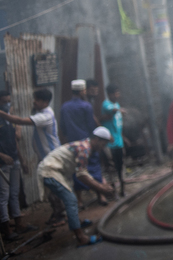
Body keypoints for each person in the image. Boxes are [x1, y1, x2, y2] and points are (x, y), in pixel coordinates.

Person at [37, 127, 115, 246]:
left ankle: (77, 222)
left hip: (55, 171)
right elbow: (81, 175)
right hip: (50, 171)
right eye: (103, 144)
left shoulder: (85, 146)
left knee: (70, 196)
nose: (103, 147)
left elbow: (83, 172)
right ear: (97, 140)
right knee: (71, 200)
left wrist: (100, 185)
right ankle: (81, 238)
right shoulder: (85, 148)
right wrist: (101, 188)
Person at [60, 79, 108, 207]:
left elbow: (63, 127)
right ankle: (101, 195)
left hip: (73, 144)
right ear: (82, 91)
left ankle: (80, 200)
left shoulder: (65, 107)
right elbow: (91, 126)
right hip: (87, 143)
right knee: (94, 167)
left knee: (77, 170)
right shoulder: (86, 106)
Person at [0, 91, 36, 241]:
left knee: (14, 193)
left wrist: (21, 159)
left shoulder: (9, 119)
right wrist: (2, 156)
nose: (7, 104)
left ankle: (19, 224)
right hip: (2, 163)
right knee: (3, 196)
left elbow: (15, 140)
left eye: (8, 101)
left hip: (14, 160)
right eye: (4, 102)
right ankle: (7, 231)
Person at [0, 88, 60, 161]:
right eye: (34, 99)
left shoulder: (45, 116)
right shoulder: (41, 111)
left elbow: (20, 121)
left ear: (46, 102)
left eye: (37, 100)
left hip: (51, 156)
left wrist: (2, 113)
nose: (34, 101)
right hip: (45, 156)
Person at [101, 84, 126, 197]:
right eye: (116, 93)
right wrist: (120, 110)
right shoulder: (106, 104)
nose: (118, 95)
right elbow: (112, 110)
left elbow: (119, 124)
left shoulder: (117, 104)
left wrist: (123, 138)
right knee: (111, 168)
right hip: (110, 144)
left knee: (121, 166)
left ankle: (122, 190)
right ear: (110, 94)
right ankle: (113, 192)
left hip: (119, 142)